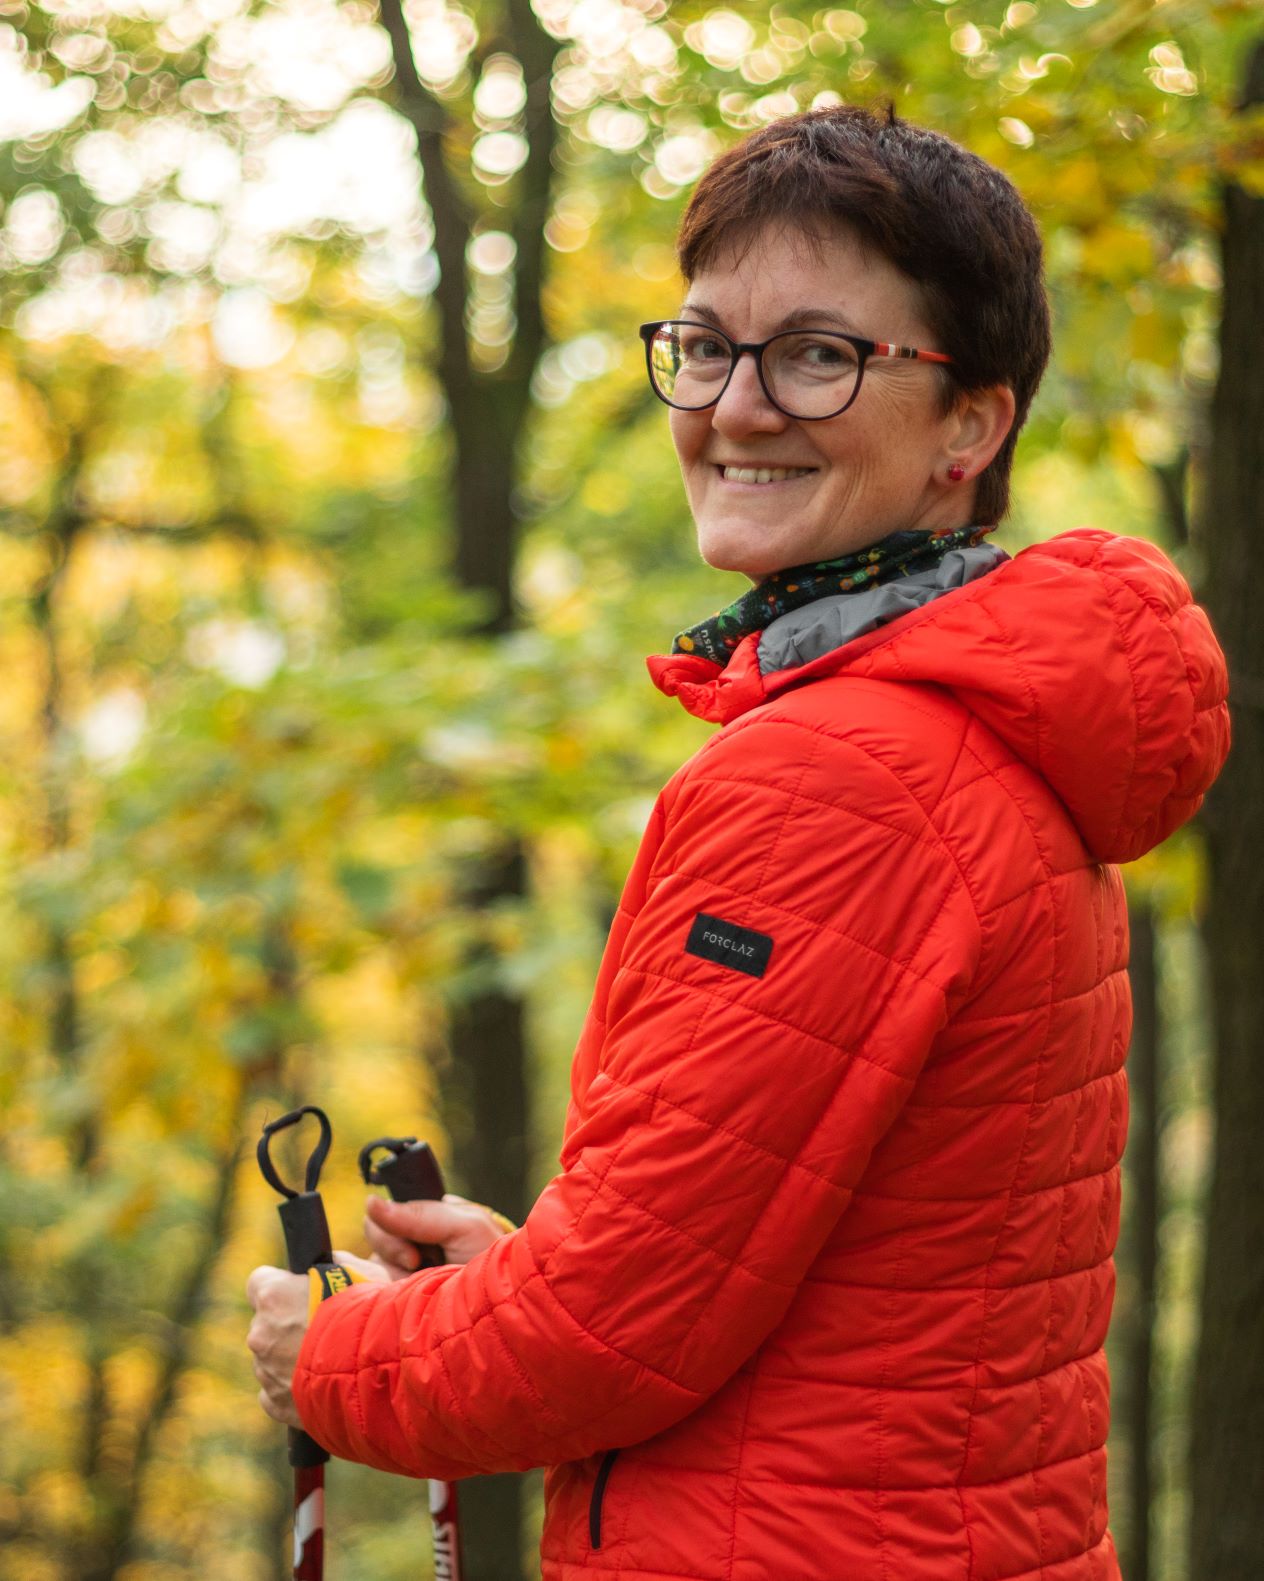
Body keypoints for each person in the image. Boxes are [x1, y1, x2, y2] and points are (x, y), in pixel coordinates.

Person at [247, 106, 1229, 1580]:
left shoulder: (841, 778)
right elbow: (832, 1283)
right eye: (706, 347)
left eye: (820, 353)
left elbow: (605, 1333)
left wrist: (335, 1355)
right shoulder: (979, 745)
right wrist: (511, 1275)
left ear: (973, 419)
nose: (737, 406)